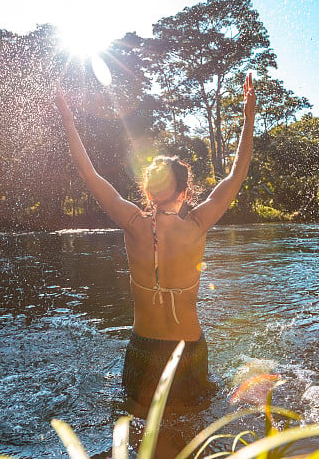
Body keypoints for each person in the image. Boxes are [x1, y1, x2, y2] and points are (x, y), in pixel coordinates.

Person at [54, 73, 256, 416]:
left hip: (143, 351)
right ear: (185, 192)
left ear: (148, 193)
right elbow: (236, 173)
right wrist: (249, 117)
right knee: (191, 435)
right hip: (188, 350)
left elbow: (89, 175)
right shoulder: (198, 224)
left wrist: (68, 119)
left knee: (140, 437)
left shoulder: (132, 222)